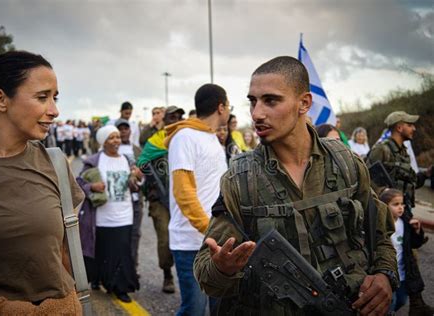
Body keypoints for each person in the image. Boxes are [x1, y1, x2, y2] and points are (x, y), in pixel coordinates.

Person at [194, 56, 398, 315]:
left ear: (304, 103)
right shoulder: (240, 179)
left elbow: (380, 234)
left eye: (271, 100)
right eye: (252, 102)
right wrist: (223, 268)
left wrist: (385, 273)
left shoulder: (346, 163)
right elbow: (205, 273)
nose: (256, 113)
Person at [0, 51, 84, 314]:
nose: (54, 111)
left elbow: (64, 252)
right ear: (1, 99)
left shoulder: (56, 164)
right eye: (42, 97)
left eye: (55, 98)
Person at [165, 84, 230, 315]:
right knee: (193, 309)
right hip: (190, 242)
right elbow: (184, 193)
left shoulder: (212, 139)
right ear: (221, 107)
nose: (229, 110)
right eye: (228, 104)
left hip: (214, 240)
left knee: (218, 308)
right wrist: (210, 229)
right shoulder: (184, 137)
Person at [367, 111, 433, 314]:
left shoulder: (403, 151)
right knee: (392, 255)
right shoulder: (382, 150)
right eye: (409, 124)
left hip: (404, 210)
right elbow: (367, 181)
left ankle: (415, 302)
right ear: (398, 127)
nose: (413, 128)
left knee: (409, 257)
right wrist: (385, 196)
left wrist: (427, 174)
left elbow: (411, 181)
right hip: (388, 213)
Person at [77, 125, 140, 303]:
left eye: (118, 137)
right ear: (103, 141)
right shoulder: (95, 160)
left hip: (124, 214)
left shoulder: (127, 160)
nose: (116, 141)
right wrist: (92, 187)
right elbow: (79, 183)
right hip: (102, 216)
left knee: (121, 251)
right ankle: (98, 279)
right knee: (102, 250)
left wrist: (138, 178)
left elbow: (133, 185)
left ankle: (120, 288)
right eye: (111, 138)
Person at [137, 105, 186, 294]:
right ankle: (167, 274)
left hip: (184, 197)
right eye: (172, 117)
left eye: (178, 117)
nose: (175, 120)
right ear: (165, 120)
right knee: (165, 238)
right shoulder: (156, 140)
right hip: (159, 198)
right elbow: (142, 162)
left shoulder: (188, 139)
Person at [379, 189, 431, 315]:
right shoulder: (380, 224)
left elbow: (415, 244)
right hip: (387, 273)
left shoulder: (405, 222)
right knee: (390, 301)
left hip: (403, 274)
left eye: (402, 204)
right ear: (384, 206)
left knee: (402, 300)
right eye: (396, 204)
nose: (401, 208)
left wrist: (417, 231)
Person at [115, 118, 144, 271]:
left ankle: (132, 268)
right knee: (120, 236)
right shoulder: (110, 150)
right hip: (118, 201)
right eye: (120, 129)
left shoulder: (137, 150)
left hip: (136, 200)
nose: (123, 131)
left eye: (126, 128)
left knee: (134, 235)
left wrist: (138, 179)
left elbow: (145, 175)